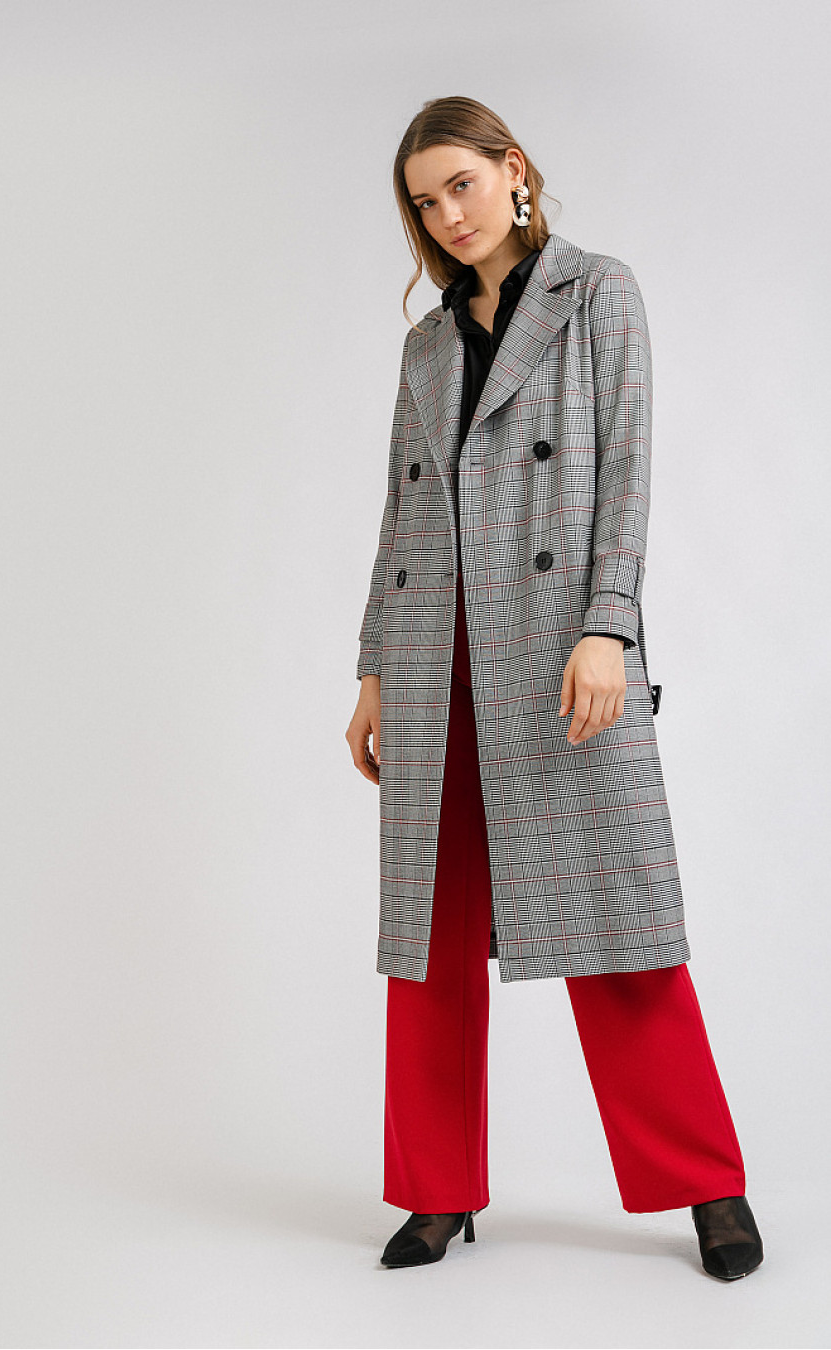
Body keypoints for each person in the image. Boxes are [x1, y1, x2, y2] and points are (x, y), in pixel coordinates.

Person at [345, 96, 764, 1281]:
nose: (448, 215)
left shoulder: (598, 295)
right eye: (426, 201)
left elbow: (628, 474)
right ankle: (436, 1193)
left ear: (513, 170)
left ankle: (708, 1185)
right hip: (433, 653)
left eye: (462, 184)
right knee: (429, 937)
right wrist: (372, 665)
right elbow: (402, 515)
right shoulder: (427, 345)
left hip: (555, 648)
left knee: (615, 919)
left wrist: (607, 629)